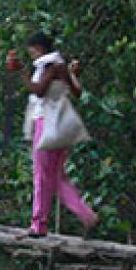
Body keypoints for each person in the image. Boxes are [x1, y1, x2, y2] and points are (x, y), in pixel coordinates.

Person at [10, 32, 97, 238]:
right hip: (61, 126)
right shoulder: (60, 66)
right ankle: (86, 214)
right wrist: (73, 73)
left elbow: (38, 90)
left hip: (46, 124)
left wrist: (21, 71)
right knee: (57, 176)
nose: (31, 56)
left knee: (41, 176)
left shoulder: (50, 65)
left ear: (38, 48)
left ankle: (38, 224)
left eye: (31, 51)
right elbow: (77, 92)